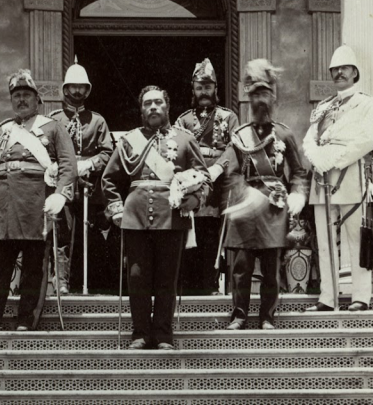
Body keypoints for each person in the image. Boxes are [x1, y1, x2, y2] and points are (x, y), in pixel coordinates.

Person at [0, 69, 76, 331]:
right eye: (17, 96)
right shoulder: (1, 131)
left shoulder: (53, 128)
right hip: (3, 206)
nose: (21, 100)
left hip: (36, 205)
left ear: (37, 100)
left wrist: (60, 193)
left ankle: (26, 319)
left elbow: (69, 166)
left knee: (34, 266)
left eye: (27, 95)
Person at [101, 85, 208, 350]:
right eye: (147, 103)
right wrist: (115, 209)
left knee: (166, 278)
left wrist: (194, 199)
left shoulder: (185, 139)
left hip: (170, 216)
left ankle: (162, 334)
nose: (153, 107)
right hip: (136, 217)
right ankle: (139, 332)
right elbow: (109, 179)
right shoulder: (129, 140)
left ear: (167, 107)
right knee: (137, 277)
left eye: (158, 102)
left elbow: (204, 178)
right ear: (141, 109)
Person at [219, 59, 309, 330]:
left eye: (264, 94)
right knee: (241, 268)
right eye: (255, 94)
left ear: (273, 97)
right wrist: (243, 195)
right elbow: (231, 172)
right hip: (245, 208)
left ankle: (267, 316)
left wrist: (298, 194)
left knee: (271, 269)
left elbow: (299, 172)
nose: (260, 99)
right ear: (249, 99)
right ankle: (239, 316)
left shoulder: (284, 134)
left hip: (274, 207)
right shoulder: (239, 136)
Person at [302, 44, 373, 312]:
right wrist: (317, 158)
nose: (338, 73)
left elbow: (367, 140)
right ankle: (328, 297)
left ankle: (360, 297)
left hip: (349, 176)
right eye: (334, 69)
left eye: (344, 68)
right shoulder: (323, 106)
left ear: (355, 72)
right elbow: (309, 139)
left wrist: (332, 158)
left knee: (356, 240)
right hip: (322, 179)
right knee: (324, 242)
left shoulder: (366, 103)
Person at [48, 58, 114, 294]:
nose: (76, 91)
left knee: (89, 233)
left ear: (87, 90)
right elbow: (47, 151)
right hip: (63, 185)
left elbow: (108, 152)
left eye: (81, 87)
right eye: (72, 87)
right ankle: (62, 282)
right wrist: (55, 166)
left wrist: (91, 163)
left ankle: (89, 283)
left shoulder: (97, 121)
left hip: (89, 186)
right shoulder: (54, 119)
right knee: (61, 231)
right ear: (65, 89)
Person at [174, 58, 239, 295]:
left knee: (212, 236)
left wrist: (219, 168)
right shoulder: (183, 119)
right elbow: (176, 148)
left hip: (219, 185)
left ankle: (211, 284)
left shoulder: (228, 117)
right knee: (190, 235)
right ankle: (188, 287)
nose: (204, 92)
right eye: (199, 87)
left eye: (208, 87)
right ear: (193, 89)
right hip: (192, 184)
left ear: (216, 89)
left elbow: (236, 147)